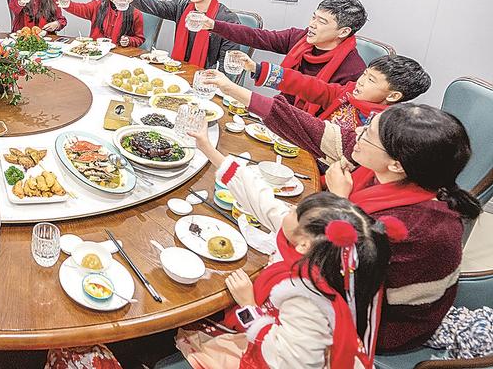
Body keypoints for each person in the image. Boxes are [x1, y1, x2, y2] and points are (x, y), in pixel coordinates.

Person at [203, 71, 483, 351]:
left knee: (218, 298)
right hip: (344, 279)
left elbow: (333, 266)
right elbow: (315, 131)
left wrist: (339, 201)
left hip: (374, 325)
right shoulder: (398, 175)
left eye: (368, 134)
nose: (356, 133)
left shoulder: (408, 226)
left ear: (397, 164)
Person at [174, 147, 395, 369]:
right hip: (282, 330)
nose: (290, 207)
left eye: (295, 211)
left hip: (275, 354)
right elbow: (262, 200)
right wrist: (208, 148)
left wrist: (249, 305)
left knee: (194, 335)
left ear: (304, 244)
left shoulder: (308, 301)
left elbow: (286, 362)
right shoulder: (318, 251)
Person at [196, 0, 368, 110]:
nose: (312, 24)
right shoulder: (299, 38)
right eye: (313, 17)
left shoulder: (352, 70)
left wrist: (257, 69)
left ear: (343, 32)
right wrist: (213, 25)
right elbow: (257, 36)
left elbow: (322, 97)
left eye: (321, 22)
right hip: (279, 110)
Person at [241, 51, 430, 130]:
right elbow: (309, 86)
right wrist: (258, 69)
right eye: (364, 75)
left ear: (393, 96)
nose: (360, 82)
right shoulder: (348, 92)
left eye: (371, 80)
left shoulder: (383, 125)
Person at [131, 0, 241, 69]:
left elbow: (227, 64)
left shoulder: (228, 20)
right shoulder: (182, 6)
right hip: (176, 70)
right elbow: (156, 6)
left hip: (205, 77)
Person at [58, 0, 145, 48]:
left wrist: (129, 40)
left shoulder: (135, 13)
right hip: (96, 52)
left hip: (119, 54)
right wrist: (68, 4)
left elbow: (139, 39)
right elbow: (81, 8)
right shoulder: (98, 5)